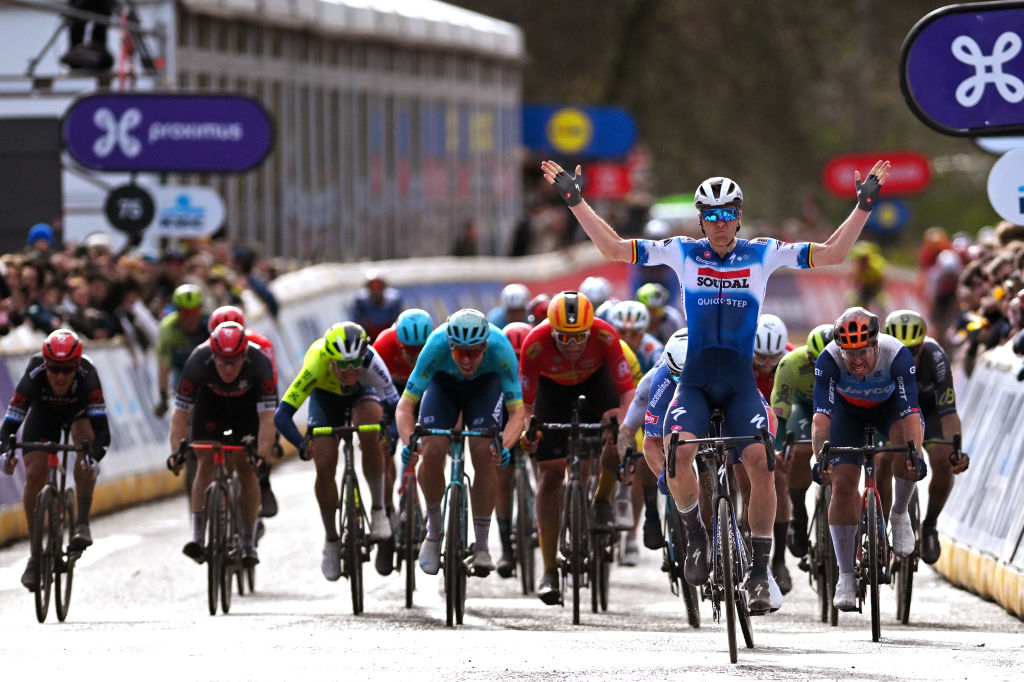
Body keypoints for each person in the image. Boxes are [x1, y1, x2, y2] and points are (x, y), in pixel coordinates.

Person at [541, 157, 891, 612]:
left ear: (739, 216)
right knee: (677, 451)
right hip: (697, 381)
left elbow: (831, 254)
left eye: (728, 215)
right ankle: (695, 537)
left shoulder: (762, 252)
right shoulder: (681, 250)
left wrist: (863, 205)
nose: (720, 224)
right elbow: (613, 248)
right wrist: (576, 200)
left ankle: (761, 572)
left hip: (741, 383)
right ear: (700, 219)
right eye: (712, 215)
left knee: (760, 465)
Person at [518, 291, 636, 604]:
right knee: (550, 475)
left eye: (579, 337)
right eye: (564, 338)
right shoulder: (535, 343)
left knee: (617, 431)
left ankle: (601, 501)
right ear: (551, 331)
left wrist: (621, 425)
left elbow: (628, 399)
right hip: (552, 391)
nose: (573, 346)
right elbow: (525, 405)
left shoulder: (605, 336)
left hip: (596, 383)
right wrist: (528, 430)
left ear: (590, 330)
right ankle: (549, 569)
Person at [812, 307, 926, 611]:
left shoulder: (896, 355)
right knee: (844, 483)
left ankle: (899, 514)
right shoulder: (829, 359)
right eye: (849, 354)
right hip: (847, 415)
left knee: (906, 447)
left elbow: (910, 410)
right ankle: (846, 576)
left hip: (889, 408)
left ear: (876, 344)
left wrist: (915, 452)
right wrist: (820, 457)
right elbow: (821, 419)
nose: (857, 360)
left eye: (863, 351)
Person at [396, 309, 525, 577]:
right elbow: (404, 406)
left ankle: (481, 544)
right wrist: (410, 443)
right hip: (444, 387)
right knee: (432, 448)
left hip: (485, 388)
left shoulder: (501, 349)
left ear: (485, 346)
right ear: (450, 346)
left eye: (474, 352)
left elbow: (517, 413)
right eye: (459, 353)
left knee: (485, 451)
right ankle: (433, 531)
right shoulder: (435, 345)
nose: (466, 360)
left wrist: (505, 445)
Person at [274, 322, 399, 580]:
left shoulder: (371, 361)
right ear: (330, 361)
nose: (350, 371)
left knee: (370, 430)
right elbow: (282, 415)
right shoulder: (316, 363)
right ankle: (331, 540)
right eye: (342, 365)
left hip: (363, 396)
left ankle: (378, 511)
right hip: (325, 400)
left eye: (355, 364)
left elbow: (396, 406)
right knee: (324, 461)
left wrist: (392, 433)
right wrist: (301, 444)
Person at [0, 329, 109, 590]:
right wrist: (6, 452)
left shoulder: (88, 377)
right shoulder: (35, 373)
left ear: (77, 366)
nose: (60, 376)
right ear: (46, 364)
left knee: (84, 446)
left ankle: (81, 522)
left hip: (79, 411)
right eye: (54, 369)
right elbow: (10, 424)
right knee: (35, 472)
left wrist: (93, 456)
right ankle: (36, 554)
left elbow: (102, 433)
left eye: (67, 370)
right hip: (44, 413)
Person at [170, 322, 276, 567]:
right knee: (204, 461)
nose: (228, 368)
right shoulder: (199, 360)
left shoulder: (259, 363)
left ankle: (248, 542)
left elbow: (267, 418)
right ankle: (197, 536)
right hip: (211, 405)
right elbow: (180, 416)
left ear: (245, 355)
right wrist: (176, 452)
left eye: (235, 361)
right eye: (222, 361)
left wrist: (262, 455)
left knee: (246, 467)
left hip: (246, 408)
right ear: (213, 355)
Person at [882, 309, 969, 565]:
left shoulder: (935, 356)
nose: (909, 357)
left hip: (928, 409)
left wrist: (956, 449)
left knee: (943, 461)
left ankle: (929, 525)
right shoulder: (879, 356)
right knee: (882, 460)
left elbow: (948, 409)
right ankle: (881, 530)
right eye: (902, 349)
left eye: (914, 350)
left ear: (923, 344)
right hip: (893, 410)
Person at [618, 328, 690, 565]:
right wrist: (626, 460)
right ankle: (651, 513)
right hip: (662, 402)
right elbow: (628, 429)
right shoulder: (654, 379)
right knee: (645, 453)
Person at [372, 307, 435, 573]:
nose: (415, 355)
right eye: (409, 350)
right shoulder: (383, 346)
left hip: (426, 396)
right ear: (398, 344)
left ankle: (429, 511)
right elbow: (371, 392)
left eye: (421, 349)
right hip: (390, 397)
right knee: (381, 451)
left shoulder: (438, 347)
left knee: (432, 448)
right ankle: (386, 516)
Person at [207, 306, 280, 518]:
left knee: (261, 439)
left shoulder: (261, 345)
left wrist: (271, 436)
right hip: (220, 396)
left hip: (253, 393)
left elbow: (270, 386)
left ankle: (263, 483)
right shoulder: (207, 349)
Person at [770, 323, 833, 560]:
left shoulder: (851, 364)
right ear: (807, 355)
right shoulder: (791, 364)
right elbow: (780, 413)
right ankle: (799, 511)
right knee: (798, 450)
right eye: (813, 363)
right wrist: (779, 448)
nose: (819, 369)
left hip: (840, 407)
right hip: (805, 407)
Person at [494, 320, 533, 577]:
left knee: (547, 466)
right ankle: (506, 548)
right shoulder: (496, 371)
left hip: (531, 417)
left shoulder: (537, 367)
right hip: (502, 420)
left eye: (523, 357)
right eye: (514, 357)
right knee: (502, 476)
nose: (518, 362)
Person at [609, 299, 664, 373]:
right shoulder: (606, 345)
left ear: (644, 332)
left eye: (634, 333)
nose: (627, 339)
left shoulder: (655, 351)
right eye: (622, 332)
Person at [350, 269, 403, 341]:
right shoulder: (360, 301)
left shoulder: (394, 300)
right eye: (373, 287)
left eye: (378, 286)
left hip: (391, 339)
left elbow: (399, 325)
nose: (376, 290)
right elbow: (356, 326)